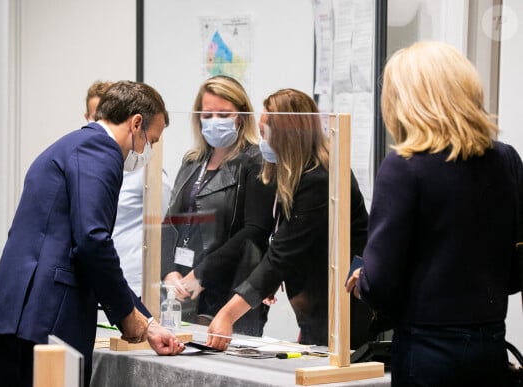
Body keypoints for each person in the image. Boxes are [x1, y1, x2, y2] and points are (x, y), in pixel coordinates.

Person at [0, 81, 185, 387]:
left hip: (22, 315)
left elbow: (82, 244)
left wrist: (148, 323)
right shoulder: (101, 150)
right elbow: (92, 241)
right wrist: (127, 314)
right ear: (135, 122)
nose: (145, 152)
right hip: (46, 317)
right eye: (150, 141)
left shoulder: (72, 144)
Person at [345, 41, 523, 386]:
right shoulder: (507, 160)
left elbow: (379, 285)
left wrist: (360, 279)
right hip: (491, 346)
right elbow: (516, 273)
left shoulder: (404, 166)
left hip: (428, 351)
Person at [206, 88, 371, 349]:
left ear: (288, 135)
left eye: (265, 133)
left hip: (343, 308)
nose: (261, 142)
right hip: (318, 303)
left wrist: (227, 315)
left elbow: (282, 254)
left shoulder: (320, 178)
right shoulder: (297, 173)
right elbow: (284, 242)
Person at [161, 75, 276, 336]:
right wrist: (169, 272)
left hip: (230, 289)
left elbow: (254, 232)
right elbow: (170, 221)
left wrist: (202, 274)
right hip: (181, 290)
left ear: (240, 117)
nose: (214, 121)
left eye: (223, 114)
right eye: (207, 114)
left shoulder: (255, 160)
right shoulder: (192, 160)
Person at [84, 80, 173, 298]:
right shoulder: (86, 164)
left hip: (132, 281)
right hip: (99, 278)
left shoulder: (149, 176)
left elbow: (164, 228)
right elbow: (91, 236)